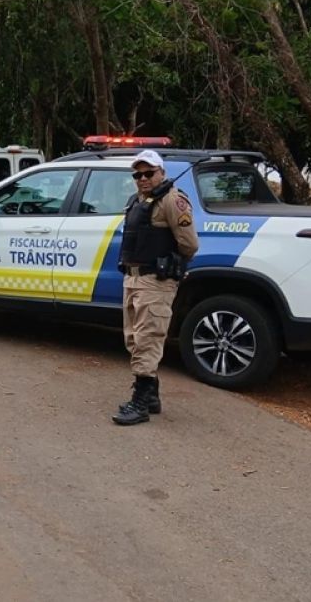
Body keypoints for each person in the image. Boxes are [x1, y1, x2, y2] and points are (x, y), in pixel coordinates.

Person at [113, 149, 199, 426]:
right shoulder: (138, 200)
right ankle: (151, 395)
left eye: (149, 172)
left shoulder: (173, 201)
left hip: (155, 281)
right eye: (138, 174)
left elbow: (189, 244)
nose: (143, 178)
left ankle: (140, 403)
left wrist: (170, 263)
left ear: (161, 172)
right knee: (133, 339)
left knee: (147, 339)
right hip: (134, 277)